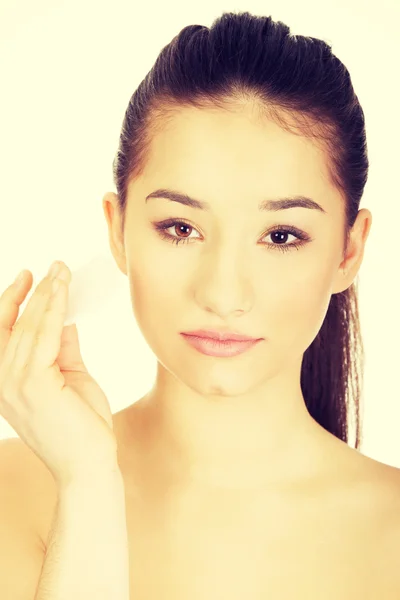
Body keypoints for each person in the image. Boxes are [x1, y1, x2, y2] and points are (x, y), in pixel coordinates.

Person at [1, 10, 399, 600]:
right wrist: (87, 485)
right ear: (118, 231)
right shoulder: (14, 494)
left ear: (349, 250)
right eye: (181, 228)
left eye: (281, 236)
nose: (223, 295)